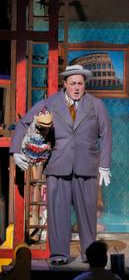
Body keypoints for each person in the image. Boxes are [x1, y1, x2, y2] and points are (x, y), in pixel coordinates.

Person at [10, 65, 112, 265]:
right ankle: (58, 255)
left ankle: (89, 254)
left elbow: (106, 133)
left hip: (87, 167)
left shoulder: (96, 105)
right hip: (58, 165)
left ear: (85, 85)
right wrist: (15, 150)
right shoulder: (51, 103)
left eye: (80, 84)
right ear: (65, 84)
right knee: (58, 214)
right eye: (72, 83)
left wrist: (105, 165)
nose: (76, 88)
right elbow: (24, 123)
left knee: (88, 215)